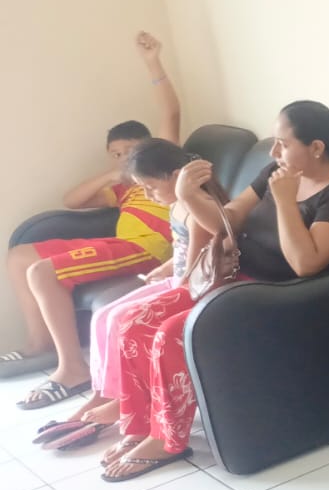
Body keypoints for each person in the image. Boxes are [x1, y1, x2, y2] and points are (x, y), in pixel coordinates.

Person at [99, 101, 329, 482]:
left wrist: (285, 202)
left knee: (171, 334)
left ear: (316, 148)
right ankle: (140, 425)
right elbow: (227, 223)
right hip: (232, 279)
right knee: (134, 322)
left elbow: (305, 264)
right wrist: (188, 196)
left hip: (275, 296)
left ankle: (168, 440)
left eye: (282, 143)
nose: (273, 153)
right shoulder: (275, 173)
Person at [5, 32, 182, 397]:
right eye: (116, 154)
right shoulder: (123, 189)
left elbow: (171, 113)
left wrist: (152, 62)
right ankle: (40, 344)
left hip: (148, 248)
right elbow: (73, 200)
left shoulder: (161, 168)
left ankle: (73, 369)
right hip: (120, 244)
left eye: (130, 152)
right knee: (21, 256)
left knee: (43, 272)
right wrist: (112, 175)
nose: (123, 159)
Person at [32, 139, 206, 450]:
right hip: (175, 279)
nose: (149, 195)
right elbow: (183, 250)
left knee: (125, 321)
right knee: (104, 317)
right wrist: (165, 268)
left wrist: (172, 279)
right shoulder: (175, 204)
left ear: (175, 176)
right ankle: (102, 395)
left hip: (187, 286)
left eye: (151, 187)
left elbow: (197, 262)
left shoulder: (195, 207)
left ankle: (122, 403)